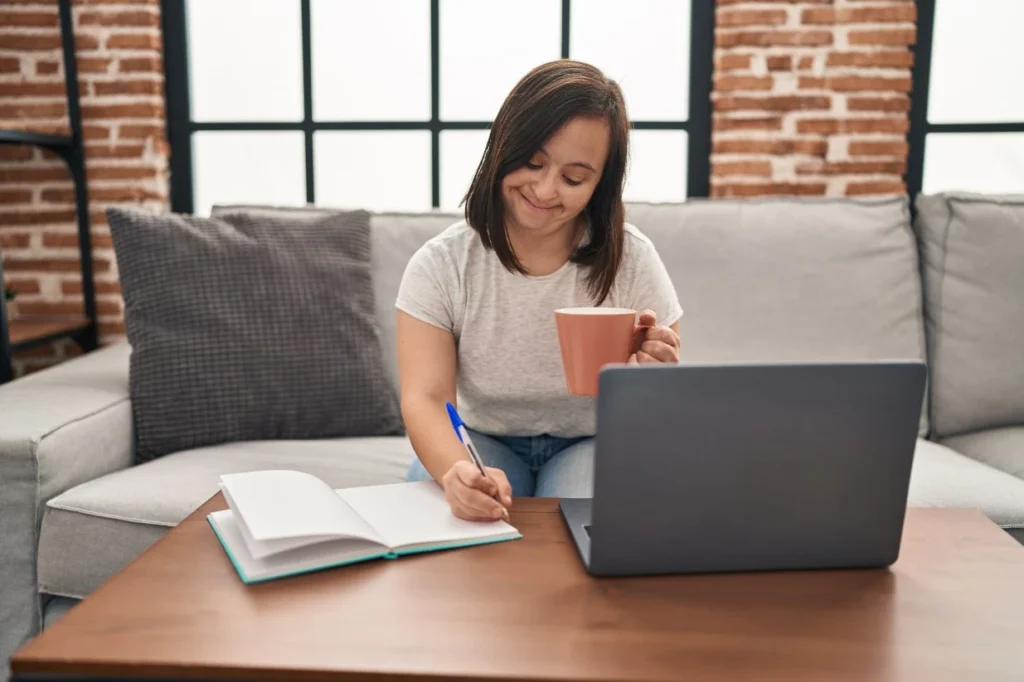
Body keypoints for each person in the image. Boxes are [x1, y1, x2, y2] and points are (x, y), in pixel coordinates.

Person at [394, 59, 682, 522]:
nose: (545, 189)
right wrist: (457, 472)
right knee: (449, 517)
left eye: (573, 178)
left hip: (593, 440)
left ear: (599, 186)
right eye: (532, 162)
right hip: (484, 437)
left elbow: (661, 406)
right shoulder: (442, 264)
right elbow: (425, 399)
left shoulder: (632, 259)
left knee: (589, 530)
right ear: (502, 149)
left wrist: (656, 373)